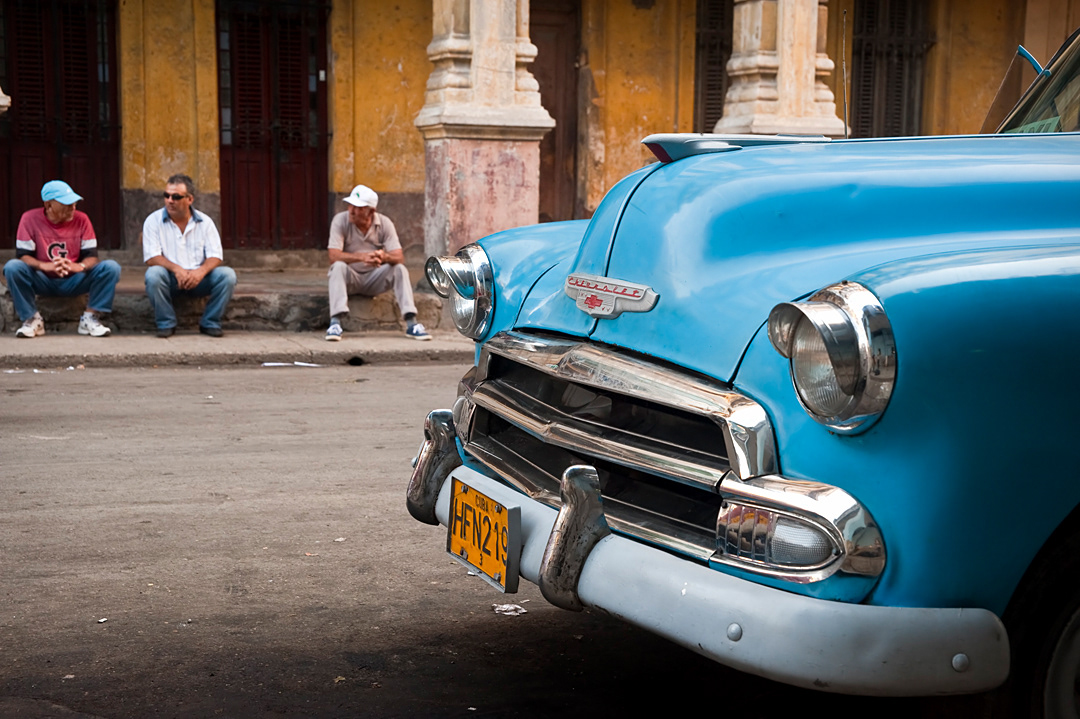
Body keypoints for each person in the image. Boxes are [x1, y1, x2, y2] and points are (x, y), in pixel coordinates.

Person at [3, 180, 121, 338]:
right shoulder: (29, 219)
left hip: (75, 279)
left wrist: (78, 266)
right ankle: (32, 319)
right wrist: (45, 266)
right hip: (43, 279)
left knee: (111, 268)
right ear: (48, 205)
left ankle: (90, 317)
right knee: (12, 267)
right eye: (66, 204)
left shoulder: (82, 219)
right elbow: (23, 256)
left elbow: (92, 257)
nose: (73, 208)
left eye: (74, 203)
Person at [325, 184, 430, 341]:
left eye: (358, 208)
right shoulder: (340, 220)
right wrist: (362, 257)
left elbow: (399, 257)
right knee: (338, 266)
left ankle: (411, 323)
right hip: (351, 279)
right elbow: (333, 256)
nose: (351, 211)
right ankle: (335, 323)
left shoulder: (384, 223)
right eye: (350, 205)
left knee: (399, 269)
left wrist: (383, 257)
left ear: (371, 211)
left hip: (375, 279)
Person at [142, 174, 236, 338]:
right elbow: (152, 257)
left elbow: (215, 255)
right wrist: (177, 269)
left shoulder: (205, 222)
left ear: (190, 199)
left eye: (176, 197)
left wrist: (200, 272)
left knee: (228, 275)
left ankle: (210, 322)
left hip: (200, 279)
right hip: (170, 279)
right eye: (166, 195)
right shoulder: (153, 221)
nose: (170, 201)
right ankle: (166, 323)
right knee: (153, 274)